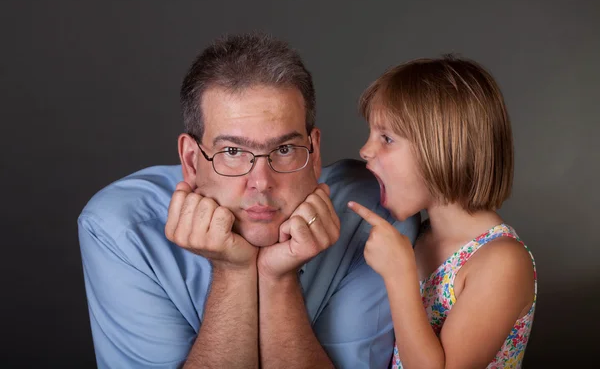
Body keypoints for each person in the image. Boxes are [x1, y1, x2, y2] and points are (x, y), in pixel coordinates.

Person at [77, 32, 420, 368]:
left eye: (284, 150)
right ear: (192, 160)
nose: (261, 183)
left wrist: (277, 279)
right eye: (232, 152)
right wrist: (232, 272)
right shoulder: (120, 229)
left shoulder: (375, 212)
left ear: (314, 154)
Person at [347, 55, 537, 368]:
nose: (365, 150)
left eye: (386, 138)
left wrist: (399, 275)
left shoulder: (502, 262)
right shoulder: (416, 234)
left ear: (441, 148)